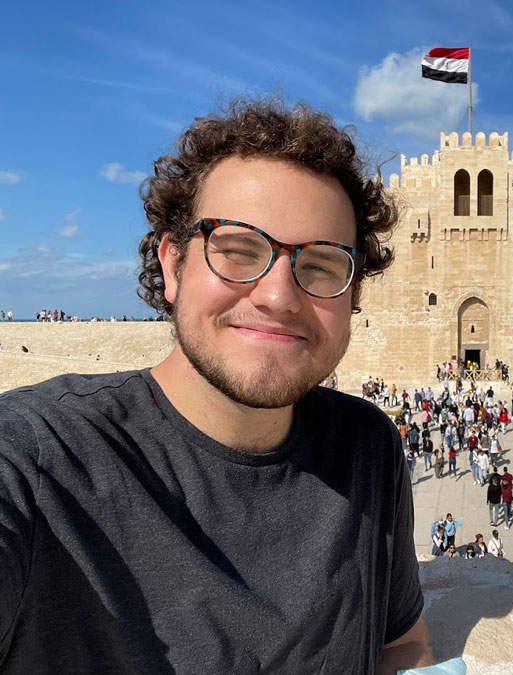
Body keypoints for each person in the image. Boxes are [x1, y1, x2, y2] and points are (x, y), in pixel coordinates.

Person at [0, 99, 431, 672]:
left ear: (353, 295)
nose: (277, 296)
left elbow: (400, 645)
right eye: (236, 251)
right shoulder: (35, 459)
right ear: (174, 266)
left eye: (322, 264)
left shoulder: (367, 448)